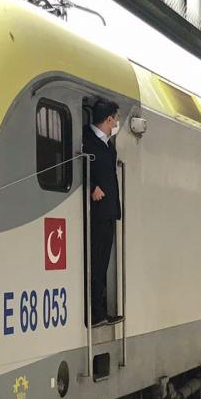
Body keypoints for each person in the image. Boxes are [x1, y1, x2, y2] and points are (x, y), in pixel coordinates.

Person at [83, 99, 122, 326]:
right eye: (115, 119)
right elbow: (76, 164)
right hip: (95, 213)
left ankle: (100, 310)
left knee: (102, 264)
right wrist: (91, 187)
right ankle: (95, 313)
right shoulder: (86, 139)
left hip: (108, 212)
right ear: (108, 119)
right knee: (95, 263)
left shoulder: (108, 145)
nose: (116, 123)